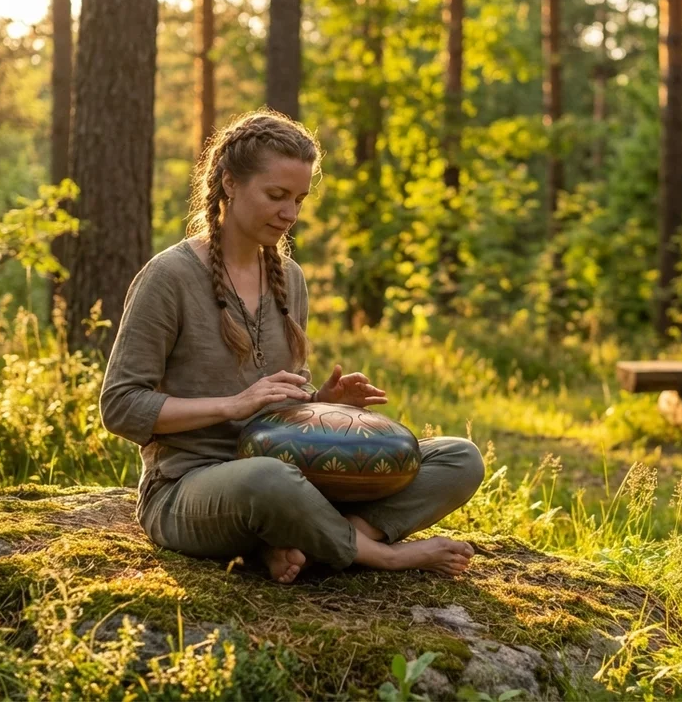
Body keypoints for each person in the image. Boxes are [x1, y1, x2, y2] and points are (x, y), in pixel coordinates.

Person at [100, 109, 484, 584]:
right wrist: (234, 405)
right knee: (268, 480)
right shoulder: (168, 277)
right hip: (194, 486)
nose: (290, 214)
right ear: (230, 184)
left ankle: (321, 538)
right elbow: (120, 405)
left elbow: (277, 410)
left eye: (299, 199)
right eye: (277, 195)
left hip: (295, 475)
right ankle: (377, 554)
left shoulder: (290, 279)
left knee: (459, 457)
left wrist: (322, 405)